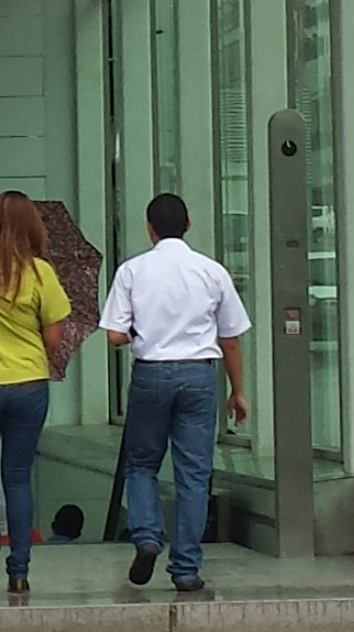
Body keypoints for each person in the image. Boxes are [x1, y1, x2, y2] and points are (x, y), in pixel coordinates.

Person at [101, 192, 250, 594]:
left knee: (141, 463)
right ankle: (185, 569)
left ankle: (148, 535)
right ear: (188, 225)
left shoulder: (132, 271)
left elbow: (114, 334)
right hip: (199, 376)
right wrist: (237, 391)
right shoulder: (212, 272)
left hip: (150, 374)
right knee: (194, 474)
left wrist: (138, 334)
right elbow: (230, 339)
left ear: (149, 228)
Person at [0, 190, 73, 604]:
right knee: (18, 476)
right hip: (28, 385)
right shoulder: (42, 273)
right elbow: (53, 340)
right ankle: (19, 573)